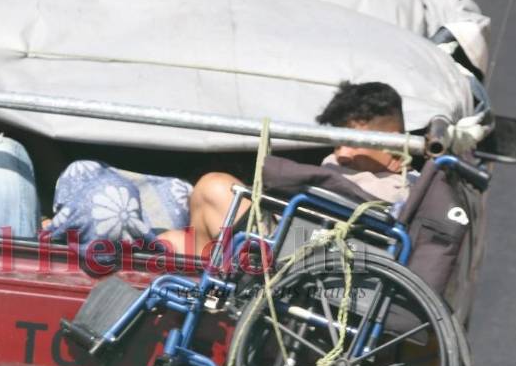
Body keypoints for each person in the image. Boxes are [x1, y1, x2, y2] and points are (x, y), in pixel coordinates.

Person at [157, 81, 415, 255]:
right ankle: (201, 281)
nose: (342, 154)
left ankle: (202, 285)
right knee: (170, 241)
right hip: (284, 232)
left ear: (391, 140)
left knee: (214, 188)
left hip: (301, 251)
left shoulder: (399, 189)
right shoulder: (337, 165)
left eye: (353, 142)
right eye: (338, 143)